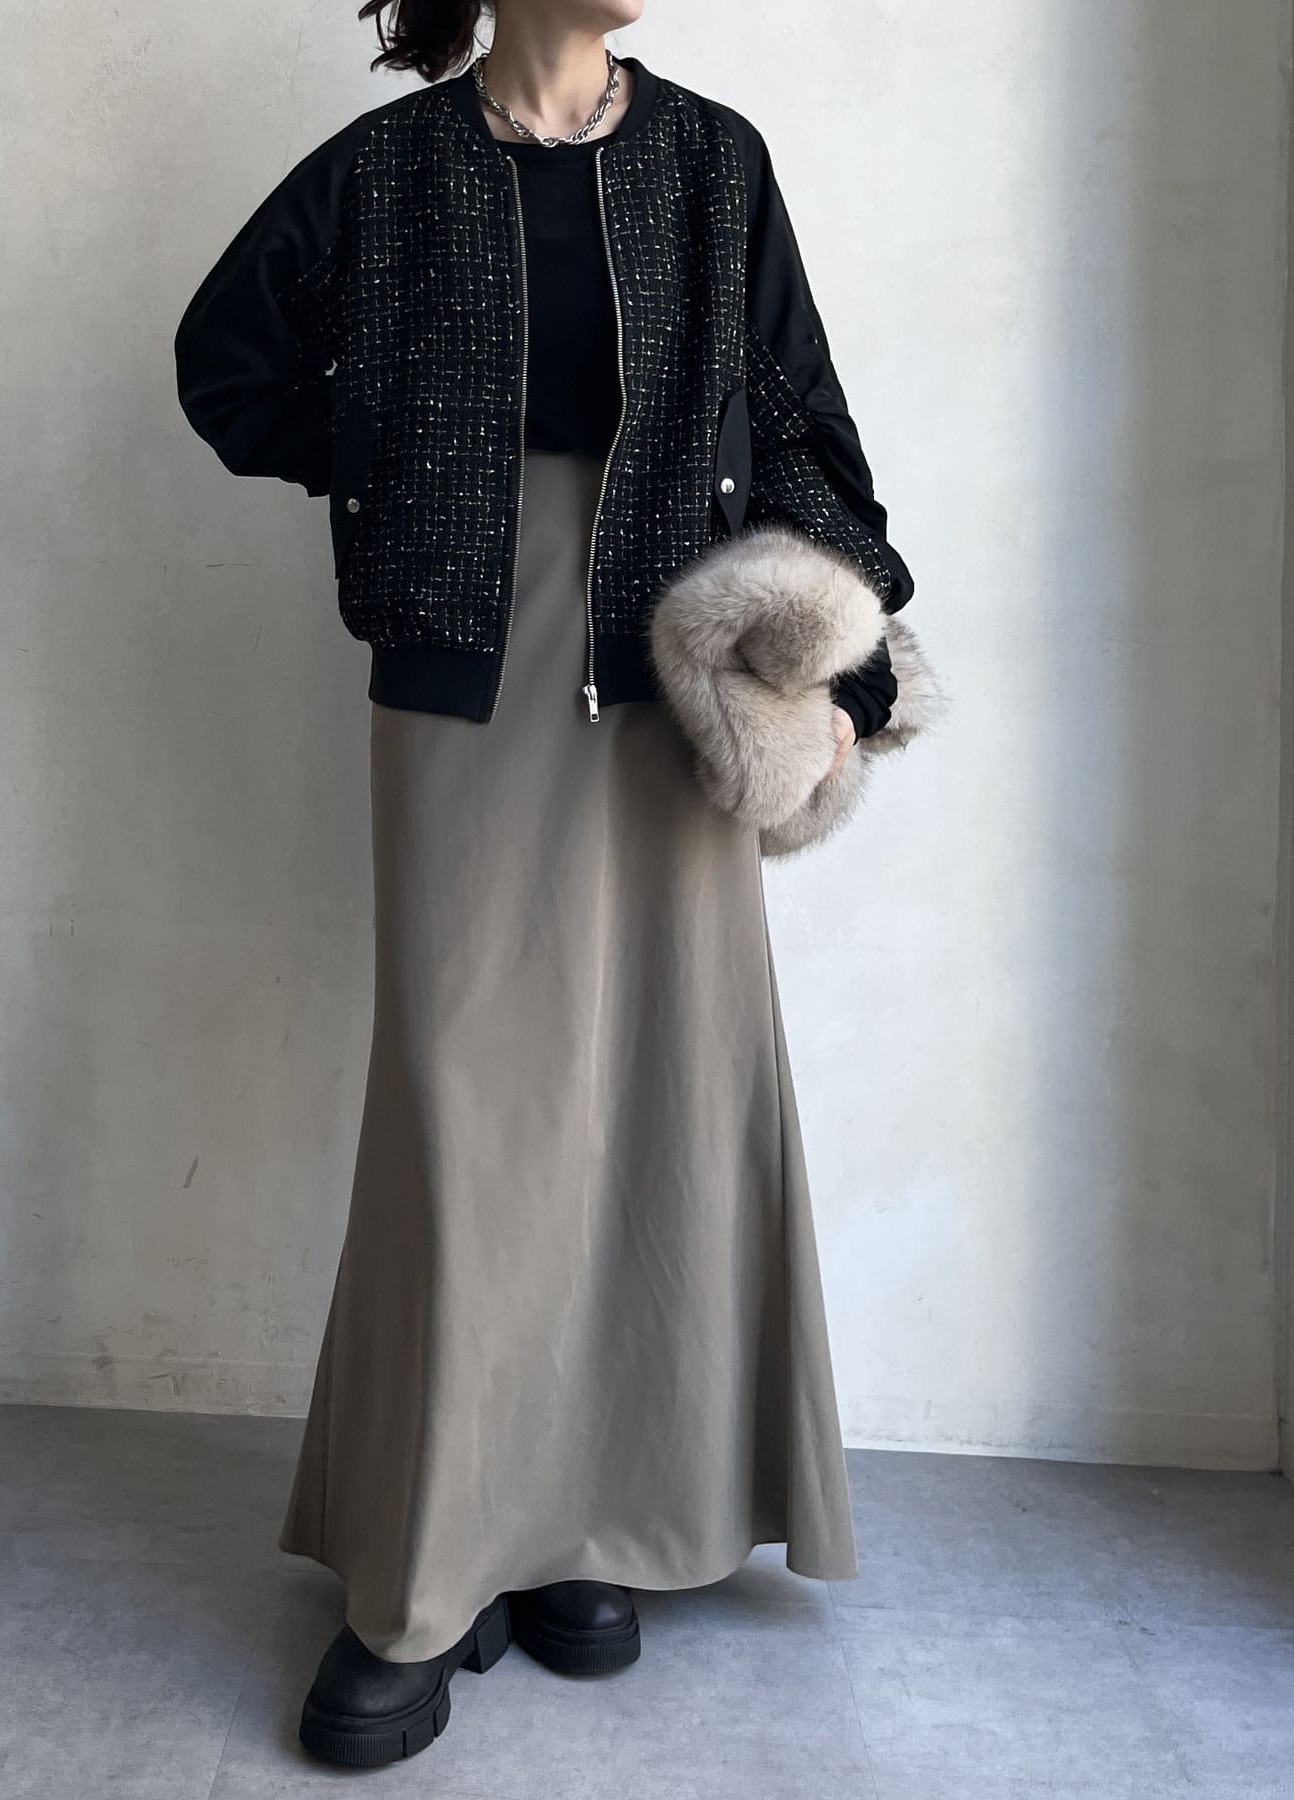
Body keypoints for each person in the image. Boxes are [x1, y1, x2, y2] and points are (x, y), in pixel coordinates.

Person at [174, 0, 916, 1770]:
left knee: (657, 1086)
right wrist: (393, 455)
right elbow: (228, 365)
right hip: (465, 655)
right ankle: (430, 1566)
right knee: (470, 1102)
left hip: (676, 667)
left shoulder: (713, 161)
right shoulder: (390, 172)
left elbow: (798, 412)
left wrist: (853, 647)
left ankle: (588, 1519)